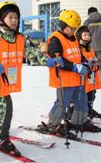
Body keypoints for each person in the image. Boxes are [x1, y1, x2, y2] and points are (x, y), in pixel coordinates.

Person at [0, 1, 47, 155]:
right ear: (0, 19)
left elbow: (31, 53)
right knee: (5, 106)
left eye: (16, 17)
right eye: (10, 17)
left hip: (8, 78)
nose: (15, 20)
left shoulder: (19, 37)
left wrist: (46, 60)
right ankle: (0, 138)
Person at [37, 9, 90, 138]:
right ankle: (52, 124)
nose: (74, 31)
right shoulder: (56, 39)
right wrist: (73, 67)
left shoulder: (74, 39)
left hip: (77, 79)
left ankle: (78, 122)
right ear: (64, 26)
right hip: (63, 79)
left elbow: (79, 55)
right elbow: (58, 60)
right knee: (62, 104)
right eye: (72, 28)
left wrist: (84, 63)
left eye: (75, 29)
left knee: (82, 102)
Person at [71, 25, 101, 125]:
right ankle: (72, 113)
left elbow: (94, 60)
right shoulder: (77, 49)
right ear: (79, 36)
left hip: (91, 76)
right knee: (81, 96)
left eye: (89, 35)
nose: (87, 37)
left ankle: (89, 110)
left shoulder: (90, 48)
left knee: (91, 95)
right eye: (85, 35)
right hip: (82, 77)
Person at [83, 7, 101, 91]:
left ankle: (92, 84)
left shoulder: (87, 22)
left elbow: (83, 34)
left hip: (91, 47)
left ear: (89, 13)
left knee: (91, 66)